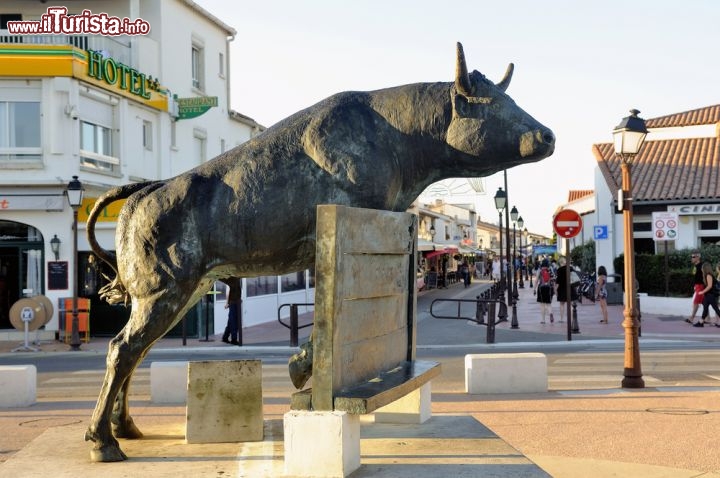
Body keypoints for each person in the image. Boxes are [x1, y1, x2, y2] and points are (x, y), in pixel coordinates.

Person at [693, 262, 720, 327]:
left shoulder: (708, 275)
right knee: (705, 308)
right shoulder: (706, 275)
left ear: (705, 268)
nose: (701, 269)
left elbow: (710, 286)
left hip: (711, 295)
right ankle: (701, 322)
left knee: (716, 309)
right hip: (708, 295)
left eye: (702, 267)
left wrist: (702, 292)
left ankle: (701, 322)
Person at [686, 251, 704, 324]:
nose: (692, 258)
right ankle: (708, 318)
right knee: (704, 302)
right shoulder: (696, 266)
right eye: (691, 257)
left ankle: (691, 318)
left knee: (696, 302)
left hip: (701, 286)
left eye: (693, 257)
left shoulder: (702, 266)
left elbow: (706, 276)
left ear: (698, 257)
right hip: (697, 286)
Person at [221, 278, 241, 345]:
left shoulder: (237, 279)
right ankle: (234, 339)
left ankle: (225, 337)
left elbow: (237, 290)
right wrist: (227, 303)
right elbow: (228, 292)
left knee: (231, 321)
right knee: (233, 322)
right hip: (233, 303)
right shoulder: (232, 279)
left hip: (236, 302)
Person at [536, 259, 554, 324]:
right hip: (549, 288)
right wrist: (554, 289)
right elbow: (553, 280)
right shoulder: (550, 270)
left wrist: (534, 289)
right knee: (548, 304)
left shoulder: (540, 270)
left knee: (542, 305)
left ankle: (543, 320)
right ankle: (551, 313)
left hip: (541, 288)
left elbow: (536, 280)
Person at [554, 257, 569, 323]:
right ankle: (571, 318)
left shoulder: (559, 270)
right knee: (570, 304)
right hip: (570, 288)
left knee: (562, 304)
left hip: (562, 289)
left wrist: (555, 289)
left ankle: (562, 319)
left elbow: (558, 281)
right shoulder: (570, 268)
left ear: (560, 263)